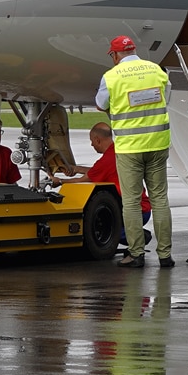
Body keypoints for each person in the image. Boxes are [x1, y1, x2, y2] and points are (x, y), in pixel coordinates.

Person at [97, 35, 174, 268]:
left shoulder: (111, 77)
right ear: (133, 51)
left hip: (129, 148)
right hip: (158, 144)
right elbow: (166, 97)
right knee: (159, 199)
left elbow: (101, 104)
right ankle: (165, 255)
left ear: (114, 55)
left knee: (131, 202)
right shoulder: (156, 70)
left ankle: (137, 254)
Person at [58, 121, 151, 258]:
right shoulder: (118, 152)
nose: (91, 145)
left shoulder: (106, 160)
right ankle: (135, 233)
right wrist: (76, 169)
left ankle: (138, 236)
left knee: (103, 230)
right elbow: (98, 171)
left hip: (136, 211)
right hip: (143, 208)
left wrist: (59, 181)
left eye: (92, 141)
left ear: (97, 139)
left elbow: (82, 181)